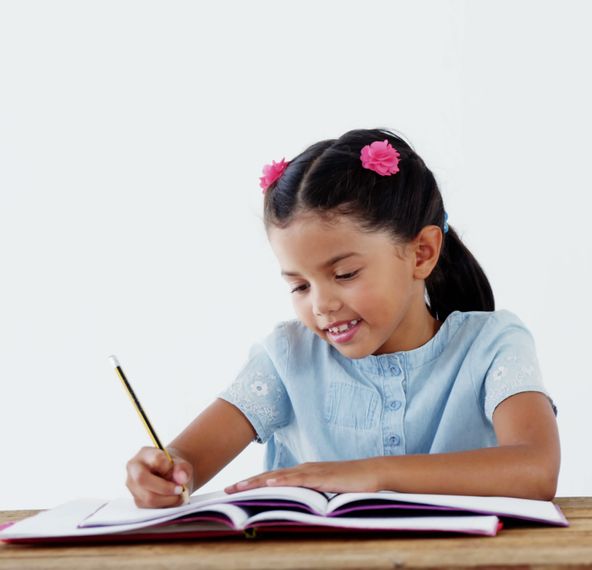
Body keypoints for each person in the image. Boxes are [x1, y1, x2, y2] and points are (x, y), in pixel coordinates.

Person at [125, 128, 560, 508]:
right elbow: (186, 463)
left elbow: (535, 468)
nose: (320, 305)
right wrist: (165, 474)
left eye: (345, 274)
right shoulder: (286, 358)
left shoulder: (492, 345)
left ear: (421, 253)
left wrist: (372, 474)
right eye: (299, 286)